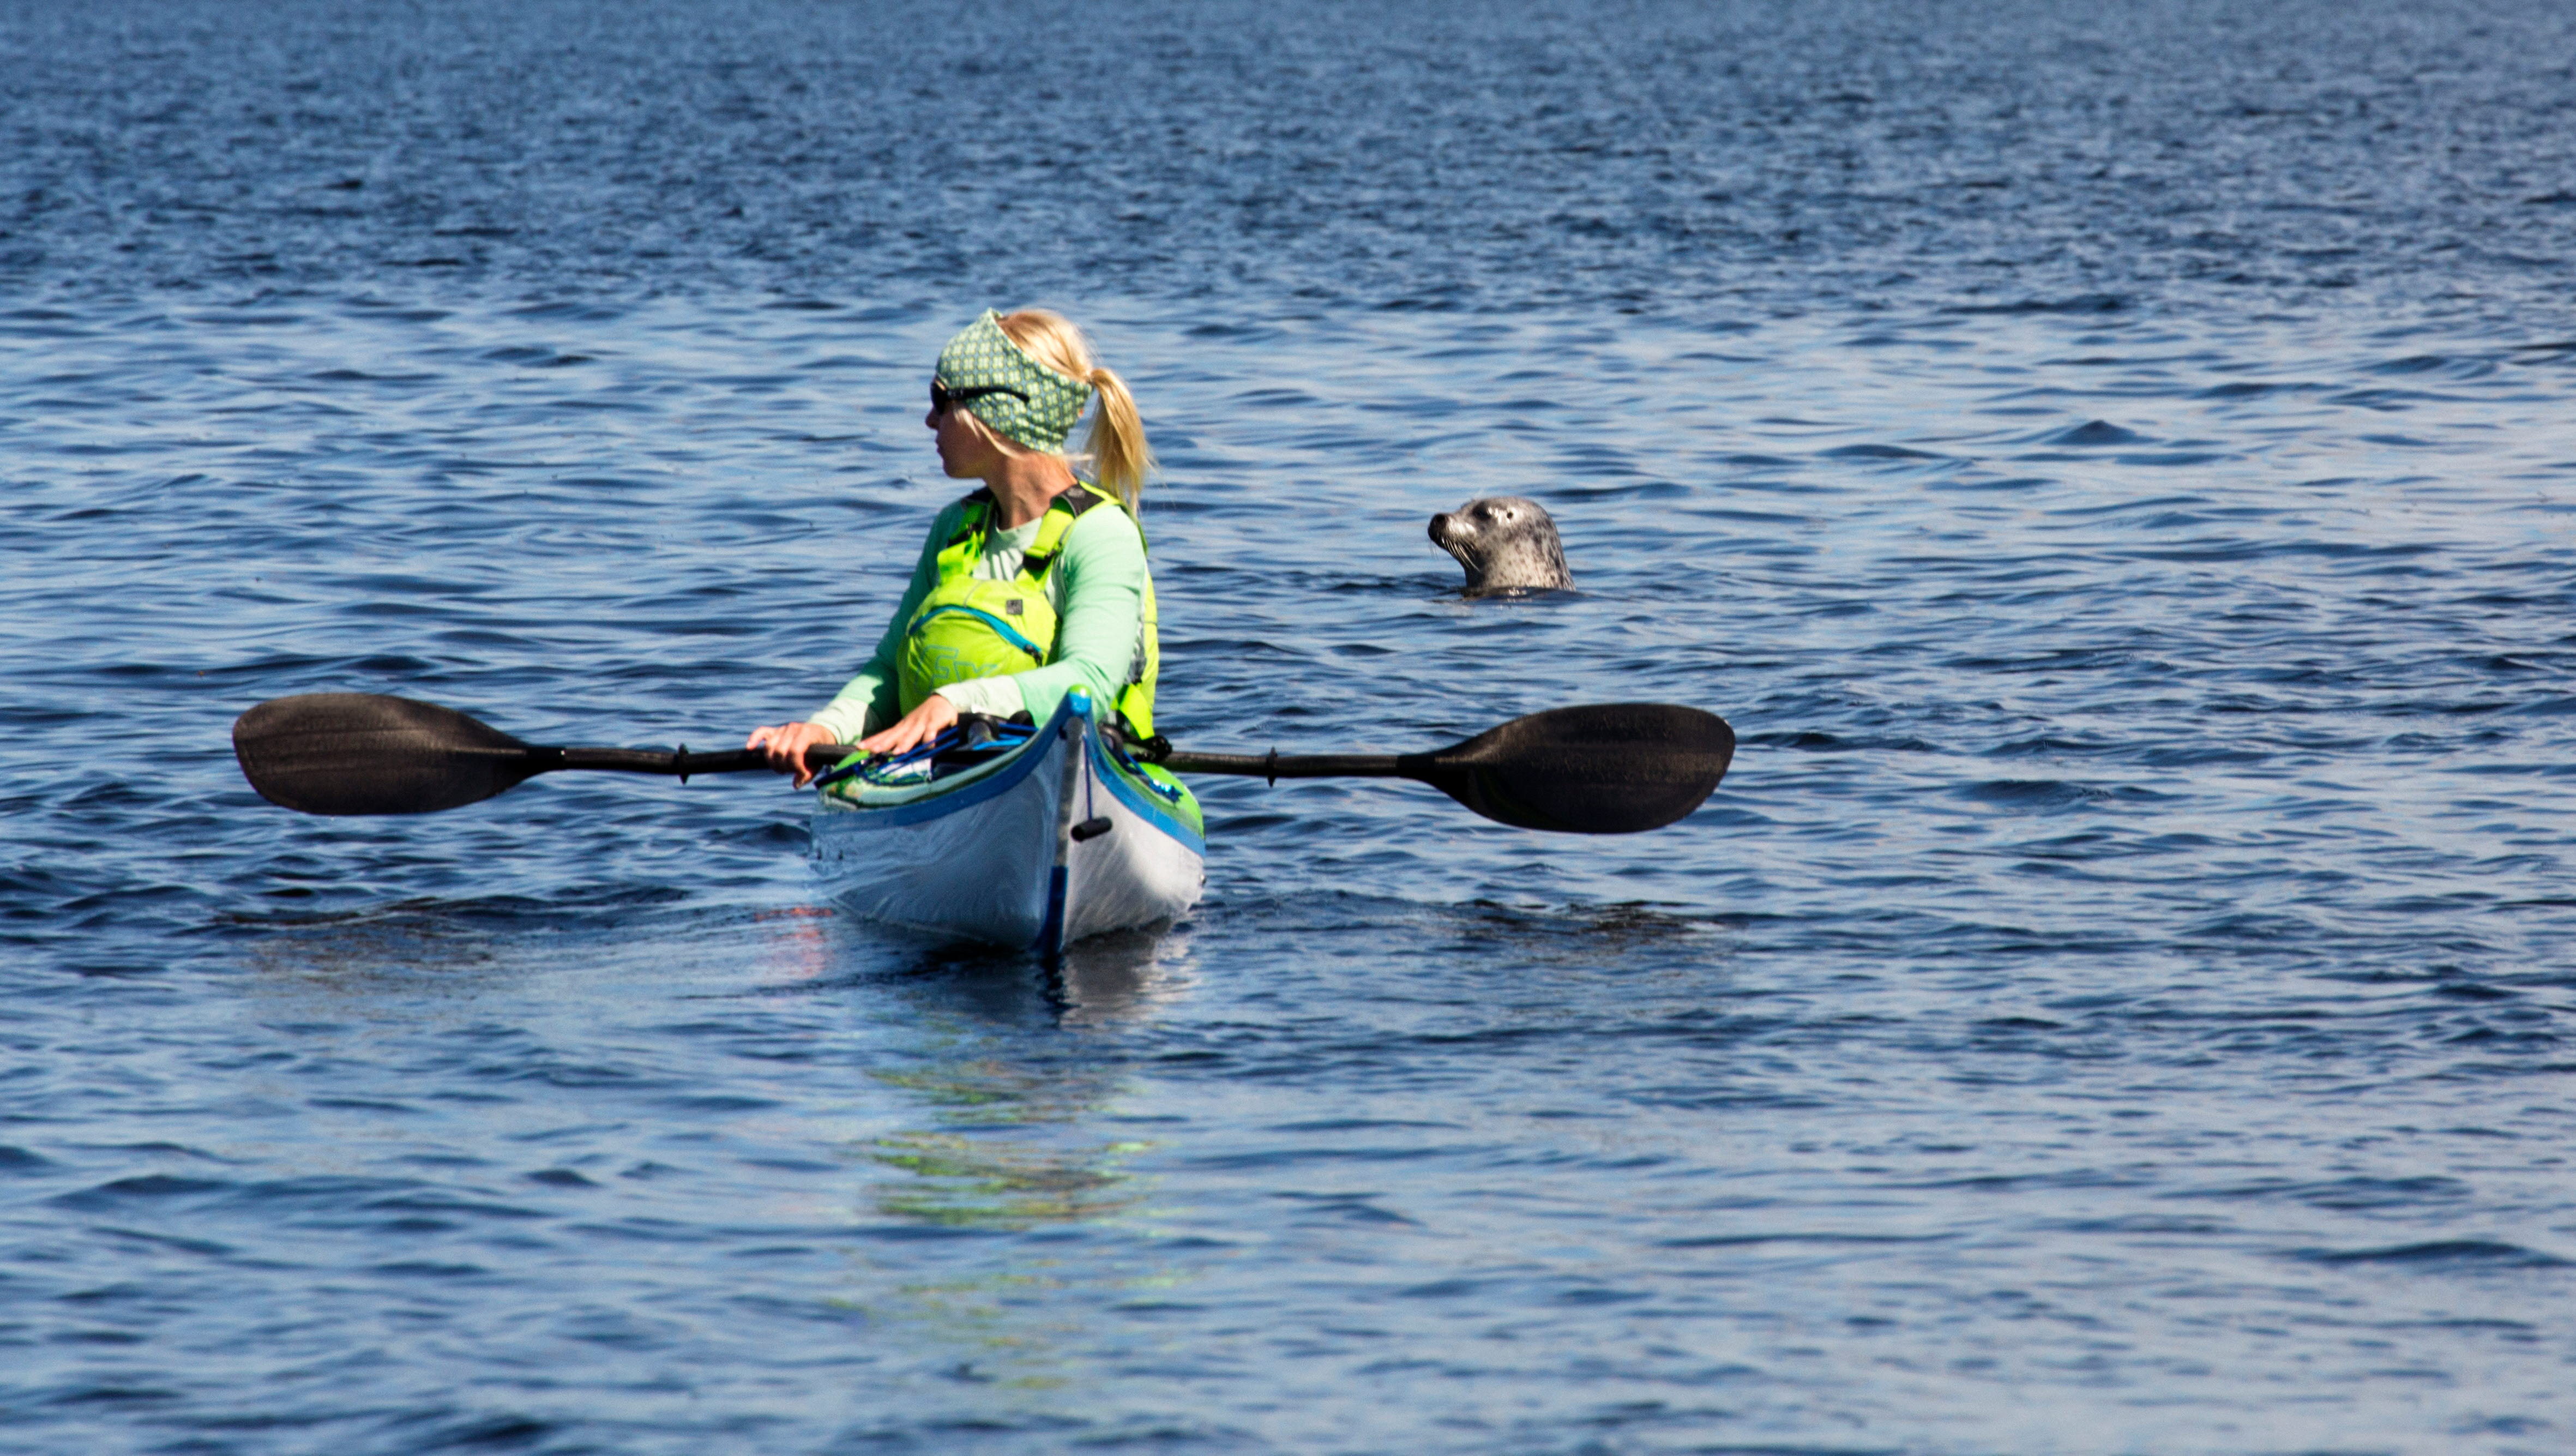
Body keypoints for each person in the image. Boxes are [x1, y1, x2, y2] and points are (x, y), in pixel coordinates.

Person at [747, 309, 1162, 787]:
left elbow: (1088, 681)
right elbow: (888, 669)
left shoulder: (1101, 534)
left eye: (941, 400)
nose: (929, 420)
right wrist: (825, 727)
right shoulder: (953, 529)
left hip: (1071, 772)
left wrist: (956, 703)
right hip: (944, 771)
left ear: (997, 411)